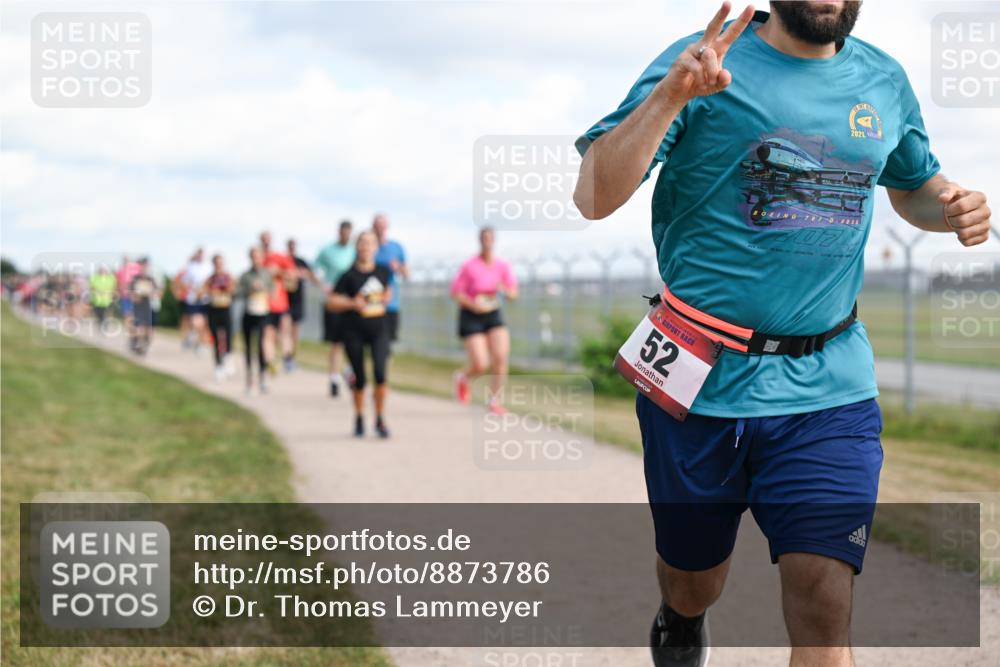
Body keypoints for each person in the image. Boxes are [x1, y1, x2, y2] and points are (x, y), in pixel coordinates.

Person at [572, 3, 992, 667]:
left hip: (830, 386)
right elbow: (592, 195)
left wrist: (952, 208)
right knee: (692, 578)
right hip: (700, 379)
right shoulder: (705, 59)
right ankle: (681, 618)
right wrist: (670, 97)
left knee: (822, 597)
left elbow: (913, 185)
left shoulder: (882, 79)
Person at [328, 231, 392, 438]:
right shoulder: (349, 275)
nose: (366, 246)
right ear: (357, 247)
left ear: (376, 247)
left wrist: (387, 296)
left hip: (379, 330)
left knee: (381, 374)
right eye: (362, 243)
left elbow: (388, 290)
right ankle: (358, 416)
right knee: (360, 378)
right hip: (353, 330)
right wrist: (351, 303)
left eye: (370, 243)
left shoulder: (383, 271)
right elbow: (332, 302)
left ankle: (380, 419)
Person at [450, 227, 518, 414]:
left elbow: (513, 293)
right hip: (471, 314)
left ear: (494, 240)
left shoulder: (502, 266)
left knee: (501, 356)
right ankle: (463, 377)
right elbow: (456, 292)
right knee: (481, 364)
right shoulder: (470, 265)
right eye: (484, 238)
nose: (487, 241)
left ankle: (495, 400)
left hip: (493, 312)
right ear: (480, 240)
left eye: (490, 238)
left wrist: (505, 290)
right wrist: (473, 305)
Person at [314, 220, 357, 397]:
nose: (346, 236)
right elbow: (314, 269)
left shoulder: (355, 251)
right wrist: (323, 285)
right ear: (339, 232)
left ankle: (349, 370)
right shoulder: (327, 251)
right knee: (336, 342)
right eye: (343, 233)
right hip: (334, 300)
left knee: (353, 340)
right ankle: (334, 377)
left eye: (349, 233)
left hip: (351, 300)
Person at [237, 247, 275, 395]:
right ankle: (249, 380)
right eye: (253, 256)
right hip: (249, 313)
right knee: (248, 347)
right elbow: (238, 292)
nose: (255, 259)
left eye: (257, 256)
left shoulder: (266, 275)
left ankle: (262, 377)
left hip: (262, 313)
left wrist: (264, 288)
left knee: (261, 345)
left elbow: (273, 290)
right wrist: (249, 289)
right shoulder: (245, 276)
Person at [259, 231, 296, 375]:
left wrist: (278, 272)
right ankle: (270, 363)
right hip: (264, 305)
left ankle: (288, 359)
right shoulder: (259, 259)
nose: (266, 242)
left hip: (281, 303)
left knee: (284, 333)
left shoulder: (278, 257)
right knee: (268, 335)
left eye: (268, 239)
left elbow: (293, 275)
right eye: (263, 239)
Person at [372, 214, 408, 346]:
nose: (380, 228)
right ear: (373, 227)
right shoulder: (367, 247)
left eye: (382, 225)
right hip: (370, 301)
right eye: (377, 225)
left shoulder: (396, 247)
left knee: (387, 342)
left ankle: (383, 367)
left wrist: (399, 267)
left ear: (387, 227)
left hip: (390, 303)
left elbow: (407, 274)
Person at [284, 238, 317, 372]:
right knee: (284, 330)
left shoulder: (301, 262)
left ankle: (292, 357)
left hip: (297, 301)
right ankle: (286, 356)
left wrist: (303, 274)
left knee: (295, 331)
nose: (292, 248)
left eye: (294, 245)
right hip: (285, 300)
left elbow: (311, 275)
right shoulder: (283, 261)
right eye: (290, 245)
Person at [203, 254, 236, 382]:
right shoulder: (210, 279)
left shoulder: (228, 277)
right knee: (215, 338)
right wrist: (211, 291)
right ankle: (218, 366)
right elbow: (203, 291)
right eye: (216, 262)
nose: (219, 265)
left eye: (220, 262)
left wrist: (224, 290)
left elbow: (232, 290)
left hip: (225, 309)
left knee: (228, 336)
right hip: (213, 310)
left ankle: (228, 358)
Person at [178, 248, 213, 353]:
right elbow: (183, 282)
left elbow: (210, 282)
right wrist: (193, 290)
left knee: (203, 323)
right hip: (192, 299)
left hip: (205, 299)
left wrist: (204, 291)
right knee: (195, 321)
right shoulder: (190, 267)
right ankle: (192, 336)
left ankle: (201, 343)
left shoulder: (208, 267)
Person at [128, 258, 160, 356]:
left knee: (147, 328)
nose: (145, 268)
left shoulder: (151, 279)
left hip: (147, 305)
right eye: (143, 266)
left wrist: (152, 293)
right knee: (138, 326)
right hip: (138, 306)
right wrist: (135, 296)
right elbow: (131, 293)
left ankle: (143, 344)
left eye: (147, 266)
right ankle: (137, 343)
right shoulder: (135, 279)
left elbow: (156, 292)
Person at [88, 265, 117, 332]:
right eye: (101, 270)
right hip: (97, 301)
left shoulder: (111, 278)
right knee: (99, 315)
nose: (103, 271)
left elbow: (114, 288)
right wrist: (97, 292)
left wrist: (112, 294)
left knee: (106, 314)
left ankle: (105, 325)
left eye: (104, 270)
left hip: (107, 300)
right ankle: (101, 324)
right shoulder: (94, 278)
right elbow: (91, 287)